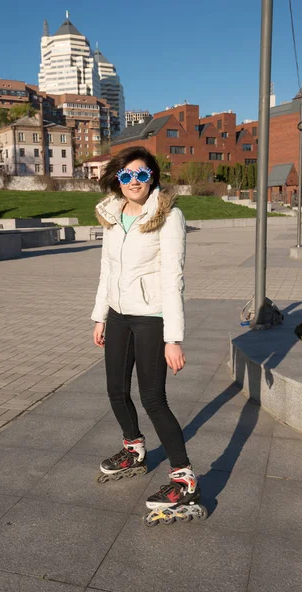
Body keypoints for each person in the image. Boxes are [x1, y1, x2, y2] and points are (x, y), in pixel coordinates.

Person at [91, 146, 201, 519]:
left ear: (152, 176)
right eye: (126, 175)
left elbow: (174, 279)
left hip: (152, 317)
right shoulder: (112, 214)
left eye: (141, 174)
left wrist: (174, 338)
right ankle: (134, 448)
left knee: (153, 399)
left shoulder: (168, 216)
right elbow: (107, 269)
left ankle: (184, 478)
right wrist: (100, 315)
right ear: (116, 180)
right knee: (116, 390)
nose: (133, 181)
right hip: (119, 315)